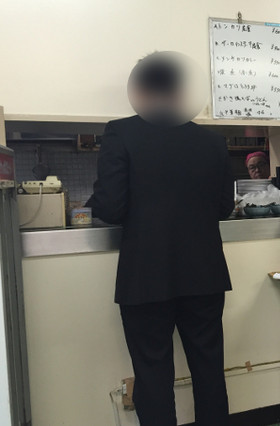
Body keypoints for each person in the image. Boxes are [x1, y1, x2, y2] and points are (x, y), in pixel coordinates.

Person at [86, 51, 233, 426]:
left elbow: (111, 207)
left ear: (141, 89)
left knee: (152, 375)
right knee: (209, 369)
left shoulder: (121, 132)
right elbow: (223, 207)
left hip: (145, 277)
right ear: (182, 89)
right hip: (204, 275)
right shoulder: (213, 142)